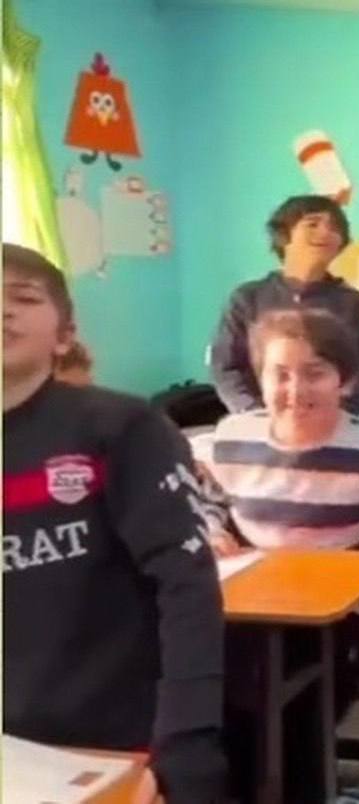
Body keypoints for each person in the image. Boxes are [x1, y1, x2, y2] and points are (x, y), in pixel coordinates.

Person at [3, 243, 226, 803]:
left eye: (22, 297)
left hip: (111, 738)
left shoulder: (120, 427)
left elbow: (187, 585)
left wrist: (186, 739)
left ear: (65, 335)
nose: (2, 310)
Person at [196, 308, 359, 802]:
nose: (295, 389)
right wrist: (210, 530)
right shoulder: (232, 437)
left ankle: (300, 789)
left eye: (315, 373)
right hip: (253, 603)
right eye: (279, 374)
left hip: (345, 612)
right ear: (259, 379)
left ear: (346, 381)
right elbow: (204, 502)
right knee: (224, 683)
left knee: (304, 699)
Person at [209, 194, 359, 415]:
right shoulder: (247, 298)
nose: (325, 232)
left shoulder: (352, 303)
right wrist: (256, 415)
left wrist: (333, 415)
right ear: (285, 235)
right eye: (313, 224)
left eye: (335, 228)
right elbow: (225, 368)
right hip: (258, 422)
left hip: (329, 422)